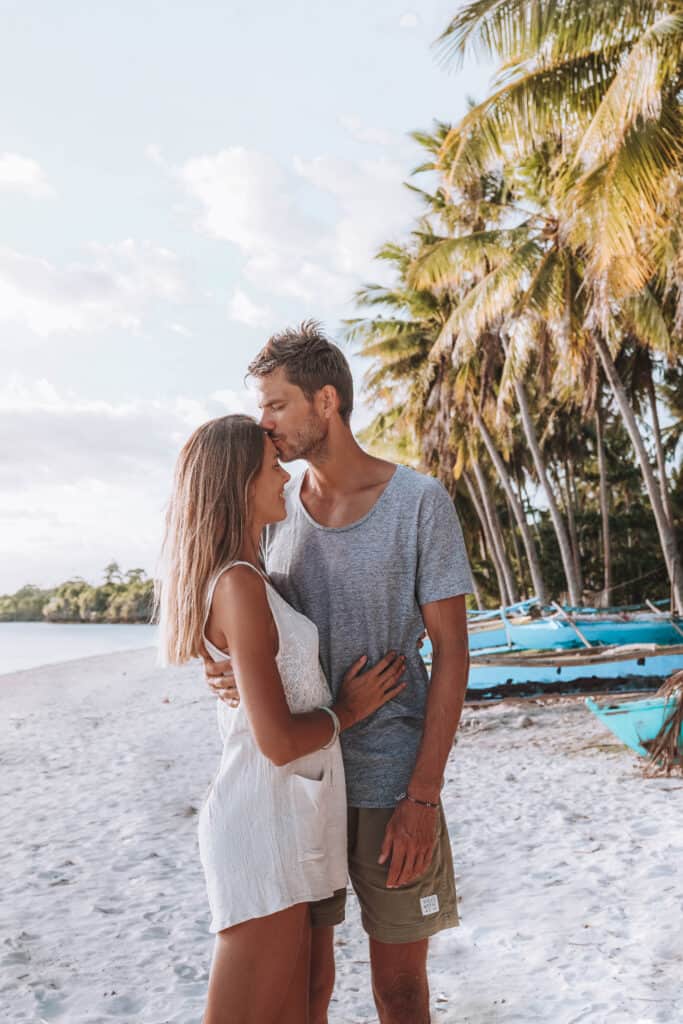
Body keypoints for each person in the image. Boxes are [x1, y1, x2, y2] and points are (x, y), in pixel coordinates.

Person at [206, 322, 473, 1024]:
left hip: (391, 784)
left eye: (276, 405)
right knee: (310, 989)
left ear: (325, 402)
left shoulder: (419, 503)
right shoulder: (271, 508)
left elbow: (451, 652)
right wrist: (233, 673)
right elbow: (252, 623)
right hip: (298, 786)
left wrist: (422, 795)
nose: (263, 425)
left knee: (401, 991)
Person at [157, 413, 408, 1024]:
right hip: (260, 824)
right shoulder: (239, 585)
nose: (285, 474)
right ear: (238, 483)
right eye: (271, 467)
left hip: (288, 818)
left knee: (296, 1011)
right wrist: (347, 710)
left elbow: (263, 678)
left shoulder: (253, 579)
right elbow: (275, 742)